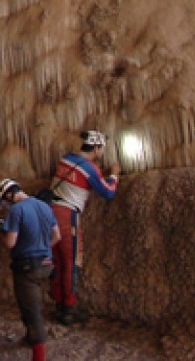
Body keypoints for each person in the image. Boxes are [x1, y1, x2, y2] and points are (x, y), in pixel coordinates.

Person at [47, 130, 119, 324]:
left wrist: (100, 174)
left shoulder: (66, 160)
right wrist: (114, 175)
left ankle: (59, 304)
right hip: (67, 215)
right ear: (96, 147)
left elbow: (82, 179)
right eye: (102, 148)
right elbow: (108, 192)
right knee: (71, 262)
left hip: (49, 213)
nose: (102, 152)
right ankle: (69, 309)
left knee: (58, 261)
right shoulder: (90, 168)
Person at [0, 178, 61, 361]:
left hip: (27, 268)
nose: (6, 207)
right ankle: (30, 337)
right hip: (47, 265)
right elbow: (57, 236)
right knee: (31, 304)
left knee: (32, 311)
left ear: (9, 195)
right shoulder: (44, 206)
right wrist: (42, 248)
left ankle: (39, 355)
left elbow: (10, 243)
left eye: (5, 202)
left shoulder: (17, 211)